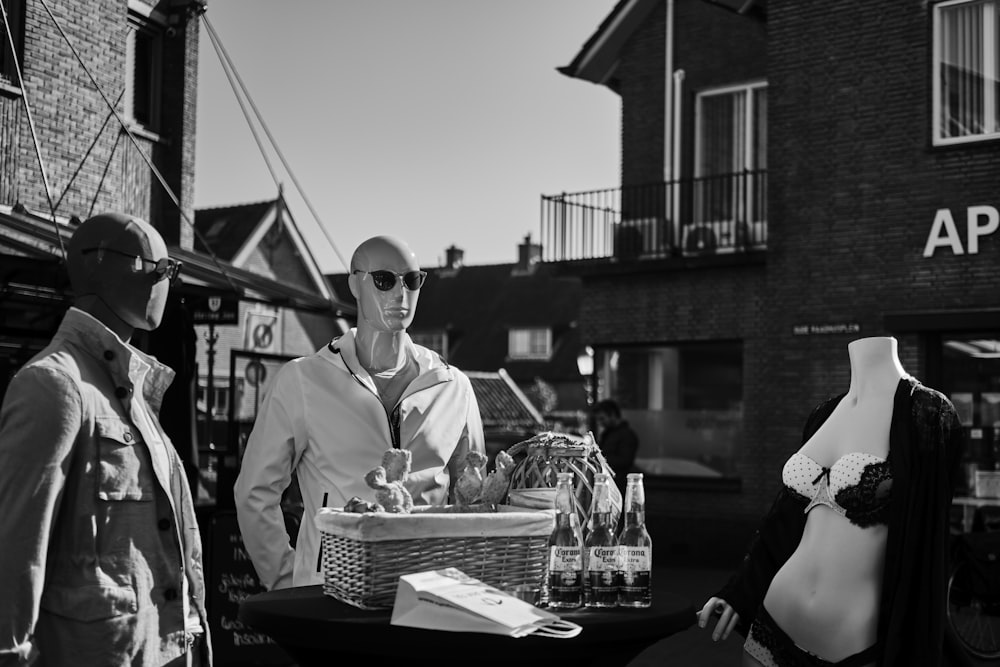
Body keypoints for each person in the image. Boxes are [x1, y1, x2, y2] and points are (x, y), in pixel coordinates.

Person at [0, 213, 210, 666]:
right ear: (117, 265)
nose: (170, 282)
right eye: (165, 268)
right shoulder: (55, 386)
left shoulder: (132, 390)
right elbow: (16, 554)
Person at [235, 235, 486, 590]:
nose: (401, 292)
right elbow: (254, 492)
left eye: (412, 280)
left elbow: (475, 499)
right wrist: (288, 583)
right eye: (385, 279)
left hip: (429, 594)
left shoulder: (452, 387)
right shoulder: (304, 381)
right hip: (334, 595)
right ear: (355, 283)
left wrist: (464, 584)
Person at [697, 336, 967, 666]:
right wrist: (738, 593)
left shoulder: (929, 415)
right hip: (775, 619)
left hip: (852, 638)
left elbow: (928, 543)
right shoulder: (823, 414)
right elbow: (781, 525)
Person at [594, 399, 640, 484]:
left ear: (613, 415)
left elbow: (625, 461)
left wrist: (601, 459)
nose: (600, 423)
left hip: (620, 484)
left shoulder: (627, 435)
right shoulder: (607, 433)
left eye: (602, 419)